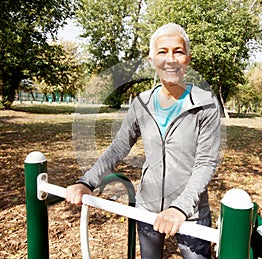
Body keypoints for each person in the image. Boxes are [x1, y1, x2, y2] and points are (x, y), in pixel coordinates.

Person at [66, 23, 221, 259]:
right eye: (162, 52)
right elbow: (118, 147)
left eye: (178, 51)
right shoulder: (141, 103)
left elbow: (206, 162)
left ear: (187, 59)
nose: (170, 59)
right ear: (152, 60)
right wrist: (87, 181)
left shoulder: (205, 104)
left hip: (190, 212)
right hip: (147, 207)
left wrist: (179, 208)